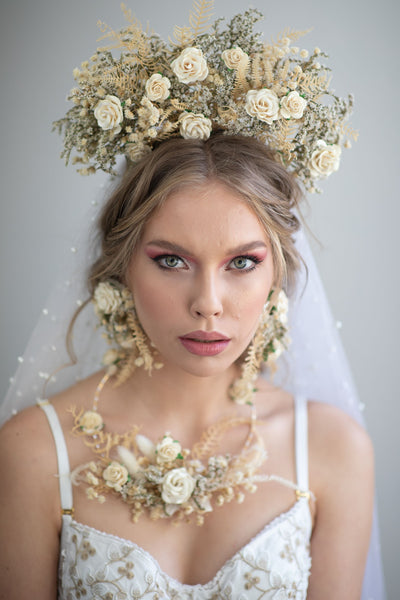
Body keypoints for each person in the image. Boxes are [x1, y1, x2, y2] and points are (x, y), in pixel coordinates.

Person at [0, 5, 385, 599]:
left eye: (242, 263)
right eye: (171, 260)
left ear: (277, 272)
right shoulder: (34, 449)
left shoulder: (333, 451)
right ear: (122, 263)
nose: (208, 303)